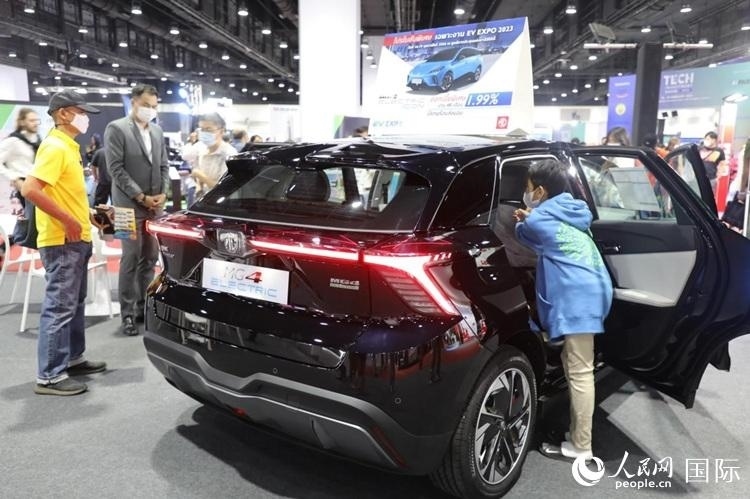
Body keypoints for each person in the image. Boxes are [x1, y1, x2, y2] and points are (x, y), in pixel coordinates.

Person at [513, 160, 613, 461]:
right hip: (595, 290)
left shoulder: (538, 221)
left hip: (578, 299)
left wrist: (524, 218)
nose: (526, 193)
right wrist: (532, 216)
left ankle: (582, 446)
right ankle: (579, 435)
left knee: (580, 373)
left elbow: (524, 234)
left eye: (528, 188)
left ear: (540, 192)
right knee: (576, 368)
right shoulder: (574, 210)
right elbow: (546, 230)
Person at [20, 91, 107, 395]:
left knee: (73, 304)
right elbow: (31, 189)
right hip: (62, 240)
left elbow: (63, 192)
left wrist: (86, 215)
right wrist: (69, 220)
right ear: (63, 113)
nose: (85, 118)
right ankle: (50, 376)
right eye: (81, 112)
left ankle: (72, 358)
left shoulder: (68, 146)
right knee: (60, 307)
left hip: (75, 238)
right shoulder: (55, 146)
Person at [105, 84, 169, 336]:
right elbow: (115, 169)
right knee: (130, 258)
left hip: (154, 207)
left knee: (150, 258)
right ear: (134, 102)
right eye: (146, 105)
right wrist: (141, 196)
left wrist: (163, 193)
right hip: (125, 207)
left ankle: (144, 306)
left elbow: (163, 165)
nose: (150, 110)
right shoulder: (117, 128)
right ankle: (128, 314)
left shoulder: (157, 131)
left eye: (154, 106)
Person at [190, 112, 237, 196]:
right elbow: (198, 174)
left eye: (208, 129)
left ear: (221, 131)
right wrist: (199, 185)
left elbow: (224, 189)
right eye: (202, 129)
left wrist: (200, 176)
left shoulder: (229, 154)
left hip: (221, 201)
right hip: (204, 199)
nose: (204, 133)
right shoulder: (202, 149)